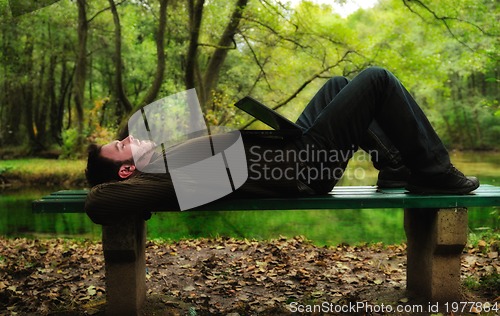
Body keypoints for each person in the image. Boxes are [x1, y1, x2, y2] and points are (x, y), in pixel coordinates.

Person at [85, 67, 479, 225]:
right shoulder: (157, 178)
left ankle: (394, 169)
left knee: (338, 86)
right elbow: (99, 202)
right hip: (303, 168)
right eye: (120, 146)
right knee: (376, 79)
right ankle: (434, 172)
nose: (127, 137)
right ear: (125, 170)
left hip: (293, 152)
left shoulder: (165, 163)